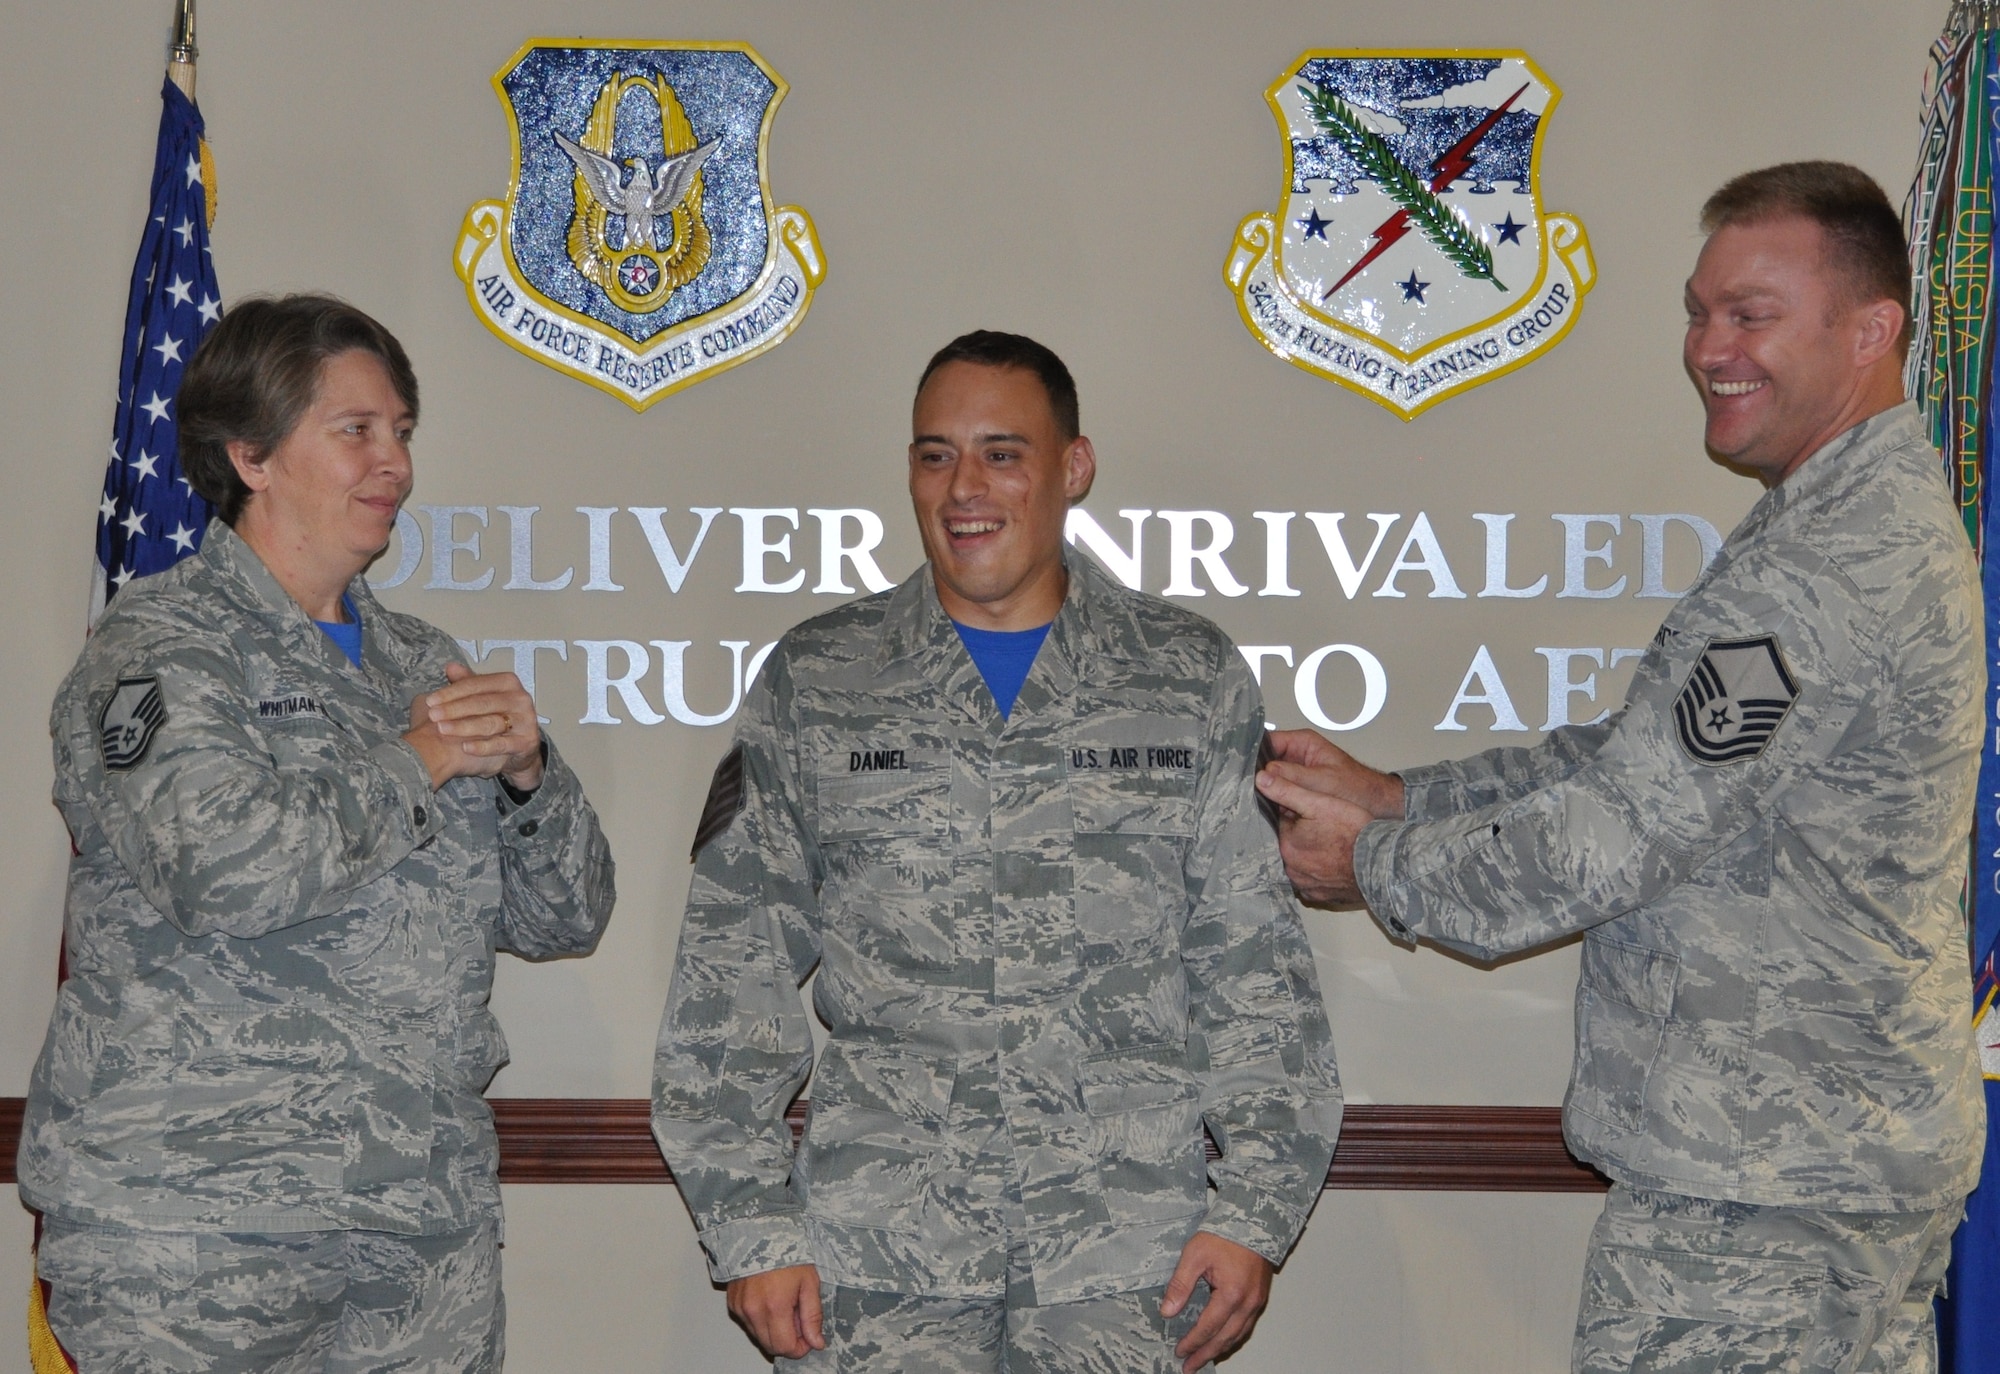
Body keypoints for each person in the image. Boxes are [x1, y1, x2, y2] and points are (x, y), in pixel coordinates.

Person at [1256, 161, 1986, 1371]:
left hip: (1757, 1201)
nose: (1707, 347)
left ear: (1871, 330)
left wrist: (1376, 862)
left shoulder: (1825, 568)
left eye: (1749, 314)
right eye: (1698, 312)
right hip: (1819, 1172)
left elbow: (1611, 839)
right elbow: (1638, 759)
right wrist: (1405, 797)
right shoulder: (1835, 524)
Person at [652, 331, 1341, 1373]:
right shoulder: (821, 680)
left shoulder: (1185, 676)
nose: (962, 488)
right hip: (881, 1265)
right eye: (934, 455)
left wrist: (1252, 1211)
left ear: (1072, 468)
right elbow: (728, 968)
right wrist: (749, 1226)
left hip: (1120, 1265)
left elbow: (1251, 968)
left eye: (1000, 453)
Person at [18, 294, 617, 1372]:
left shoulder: (418, 658)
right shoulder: (159, 650)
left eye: (401, 433)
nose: (393, 462)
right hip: (195, 1233)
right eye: (356, 432)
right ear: (250, 454)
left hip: (416, 1229)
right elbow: (228, 874)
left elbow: (568, 914)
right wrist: (419, 759)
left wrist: (533, 778)